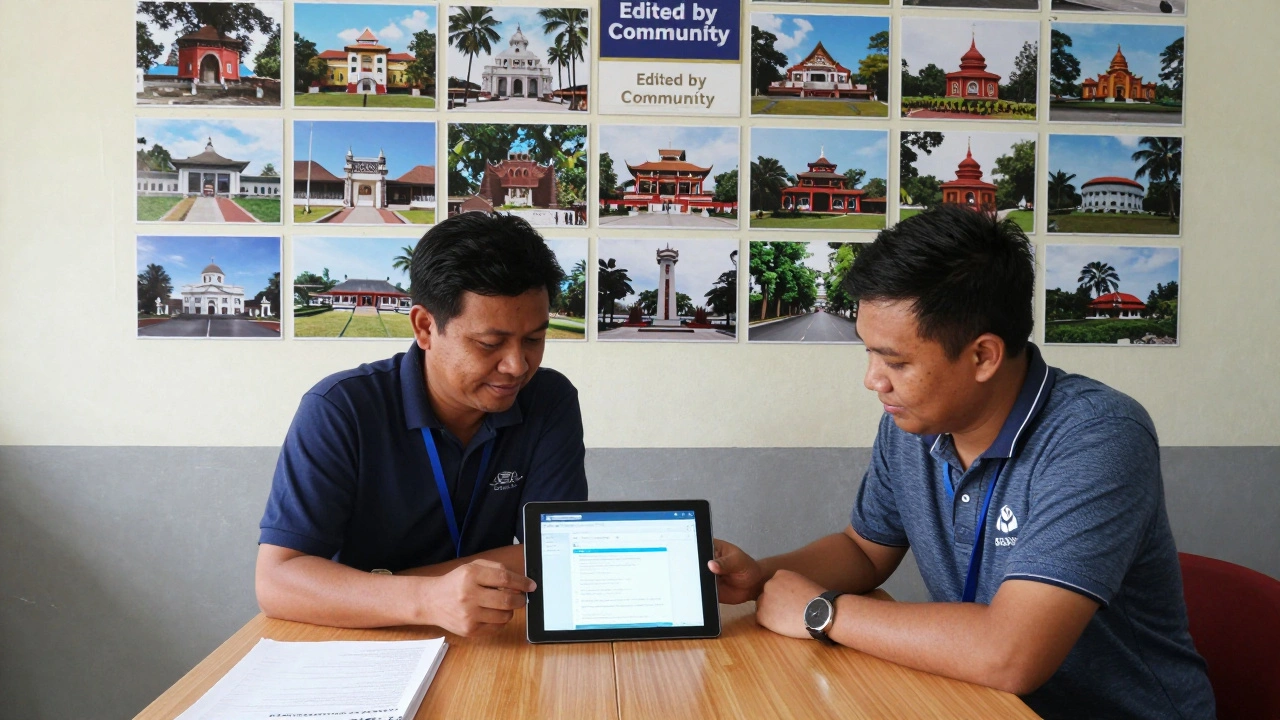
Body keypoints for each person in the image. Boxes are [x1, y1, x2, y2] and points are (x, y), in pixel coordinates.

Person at [710, 205, 1214, 719]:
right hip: (973, 703)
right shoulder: (913, 422)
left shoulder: (1098, 436)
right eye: (868, 353)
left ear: (983, 357)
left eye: (896, 361)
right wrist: (760, 577)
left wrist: (824, 612)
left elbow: (1009, 654)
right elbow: (864, 550)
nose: (872, 380)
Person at [256, 212, 587, 635]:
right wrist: (426, 598)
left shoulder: (548, 400)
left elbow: (555, 552)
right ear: (425, 326)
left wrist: (386, 585)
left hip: (490, 633)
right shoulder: (341, 409)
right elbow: (277, 581)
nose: (517, 365)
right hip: (362, 637)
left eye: (535, 340)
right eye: (490, 343)